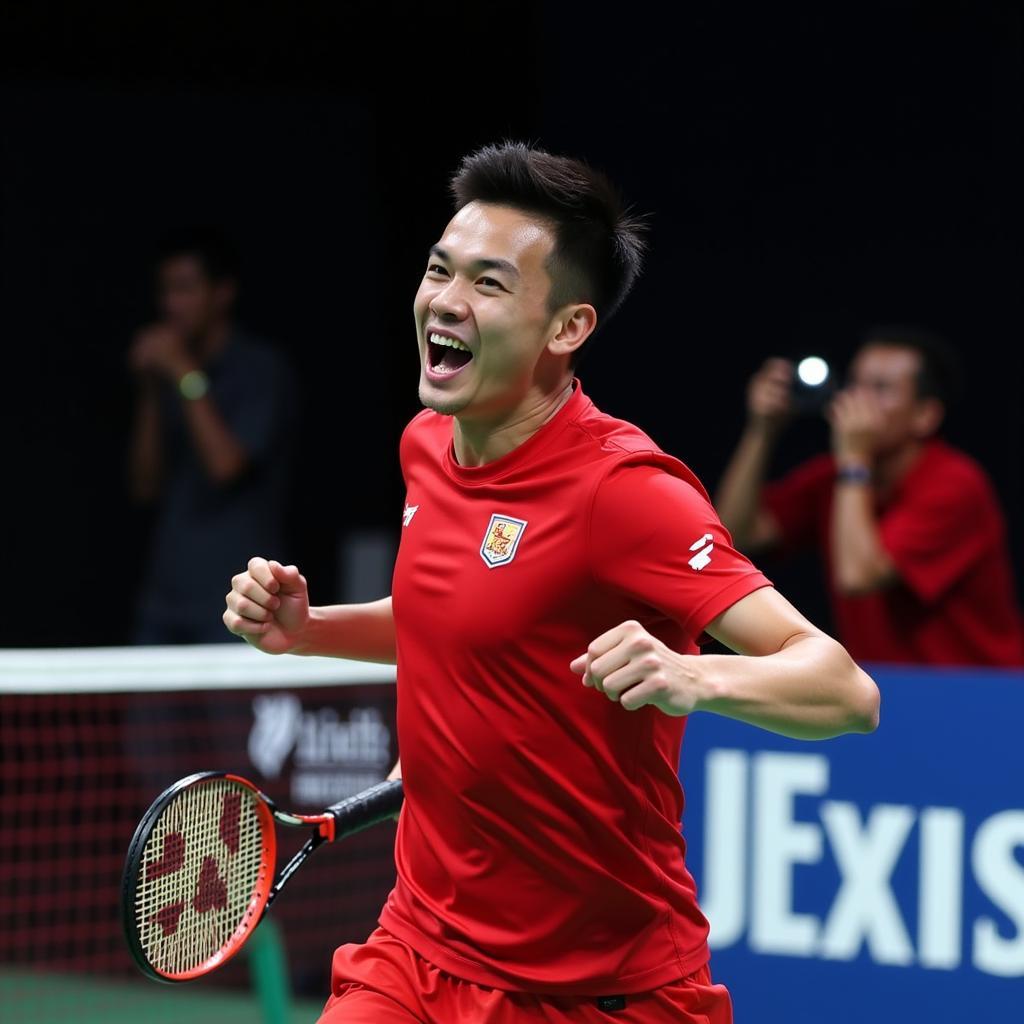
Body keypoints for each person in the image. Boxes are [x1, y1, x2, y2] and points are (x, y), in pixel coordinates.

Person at [224, 142, 880, 1024]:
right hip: (418, 952)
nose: (446, 301)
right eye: (438, 269)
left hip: (598, 988)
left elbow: (845, 689)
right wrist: (309, 629)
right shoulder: (429, 445)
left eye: (489, 284)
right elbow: (459, 619)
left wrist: (696, 676)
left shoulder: (626, 494)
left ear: (567, 328)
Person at [715, 332, 1024, 666]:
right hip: (888, 689)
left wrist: (853, 462)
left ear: (925, 415)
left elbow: (858, 576)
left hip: (983, 694)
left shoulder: (955, 483)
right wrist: (763, 430)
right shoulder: (833, 478)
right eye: (855, 383)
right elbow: (736, 536)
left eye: (881, 389)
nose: (858, 399)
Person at [129, 228, 296, 644]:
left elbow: (225, 466)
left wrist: (184, 373)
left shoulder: (260, 370)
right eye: (165, 290)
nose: (171, 305)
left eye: (185, 289)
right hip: (165, 599)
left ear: (221, 293)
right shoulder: (169, 375)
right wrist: (152, 388)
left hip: (237, 598)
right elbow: (144, 486)